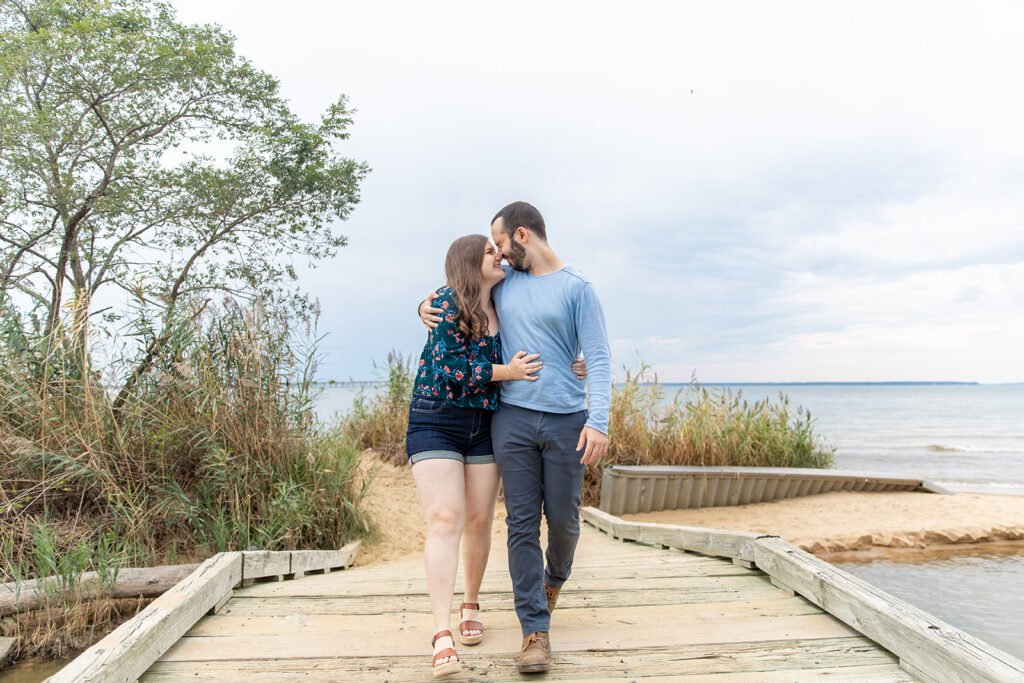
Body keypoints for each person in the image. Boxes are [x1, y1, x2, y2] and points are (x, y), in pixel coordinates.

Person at [419, 202, 612, 674]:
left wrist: (599, 421)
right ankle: (534, 632)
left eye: (502, 244)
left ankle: (554, 579)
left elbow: (598, 357)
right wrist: (423, 304)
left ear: (522, 235)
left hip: (567, 419)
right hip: (511, 419)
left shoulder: (578, 288)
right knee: (521, 524)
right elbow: (460, 292)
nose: (500, 255)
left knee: (563, 522)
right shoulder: (505, 284)